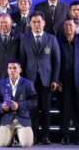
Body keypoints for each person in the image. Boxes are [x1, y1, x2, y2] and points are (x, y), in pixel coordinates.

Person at [19, 11, 60, 144]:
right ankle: (34, 135)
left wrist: (55, 79)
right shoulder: (24, 39)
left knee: (46, 109)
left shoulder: (51, 39)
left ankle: (45, 136)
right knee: (32, 110)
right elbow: (22, 61)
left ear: (44, 23)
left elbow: (56, 61)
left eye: (39, 22)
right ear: (30, 24)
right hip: (30, 80)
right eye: (34, 22)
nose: (37, 24)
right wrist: (22, 81)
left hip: (46, 80)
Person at [58, 19, 79, 145]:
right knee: (64, 110)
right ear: (63, 28)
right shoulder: (58, 42)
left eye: (71, 25)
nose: (69, 27)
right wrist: (57, 80)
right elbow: (56, 62)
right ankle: (65, 136)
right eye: (66, 25)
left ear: (76, 28)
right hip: (64, 82)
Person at [0, 60, 36, 148]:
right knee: (2, 144)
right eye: (10, 68)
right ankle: (11, 137)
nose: (12, 70)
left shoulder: (28, 83)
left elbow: (34, 102)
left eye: (14, 68)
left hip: (22, 119)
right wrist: (2, 106)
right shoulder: (1, 83)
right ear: (7, 70)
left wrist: (19, 106)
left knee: (26, 144)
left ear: (20, 70)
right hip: (7, 119)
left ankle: (18, 135)